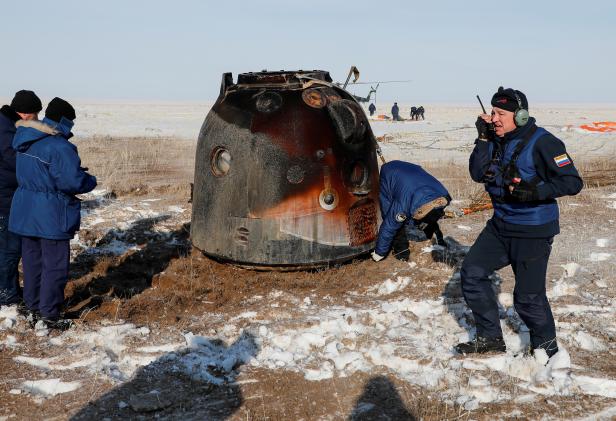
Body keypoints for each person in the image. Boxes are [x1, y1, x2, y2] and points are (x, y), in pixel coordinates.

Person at [455, 87, 583, 358]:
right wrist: (482, 138)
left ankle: (547, 352)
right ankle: (490, 339)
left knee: (527, 298)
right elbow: (479, 173)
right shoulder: (495, 139)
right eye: (492, 112)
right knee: (472, 274)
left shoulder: (544, 143)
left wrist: (535, 191)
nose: (495, 118)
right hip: (501, 226)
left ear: (521, 116)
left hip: (533, 230)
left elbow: (572, 182)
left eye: (501, 113)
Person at [9, 97, 97, 330]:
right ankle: (48, 315)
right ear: (66, 120)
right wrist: (90, 180)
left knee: (32, 262)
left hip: (26, 212)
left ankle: (33, 306)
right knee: (55, 265)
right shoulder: (59, 146)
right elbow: (72, 182)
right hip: (51, 215)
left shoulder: (25, 139)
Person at [0, 90, 42, 309]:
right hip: (4, 199)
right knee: (9, 250)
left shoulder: (7, 125)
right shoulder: (5, 130)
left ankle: (9, 290)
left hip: (7, 195)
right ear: (26, 114)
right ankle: (6, 295)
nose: (36, 119)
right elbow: (14, 163)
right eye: (35, 115)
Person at [371, 160, 450, 262]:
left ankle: (437, 239)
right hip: (389, 174)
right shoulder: (401, 207)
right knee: (391, 217)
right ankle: (401, 252)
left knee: (431, 216)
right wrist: (379, 252)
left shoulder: (442, 195)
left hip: (411, 171)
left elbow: (433, 212)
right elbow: (389, 226)